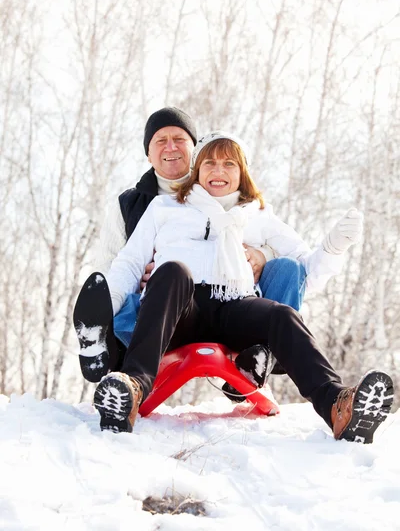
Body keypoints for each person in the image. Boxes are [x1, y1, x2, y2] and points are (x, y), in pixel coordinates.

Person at [75, 133, 393, 443]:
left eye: (229, 164)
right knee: (173, 271)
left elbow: (306, 272)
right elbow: (129, 263)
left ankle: (337, 405)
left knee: (280, 315)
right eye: (210, 163)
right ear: (196, 170)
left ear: (242, 172)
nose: (219, 171)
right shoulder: (165, 207)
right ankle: (132, 388)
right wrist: (109, 306)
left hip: (233, 306)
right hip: (180, 308)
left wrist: (333, 248)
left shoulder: (256, 214)